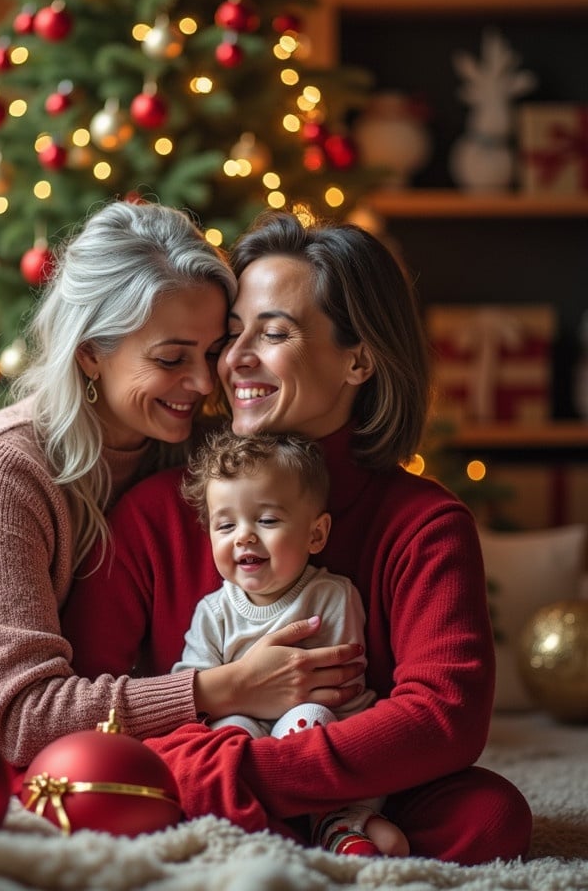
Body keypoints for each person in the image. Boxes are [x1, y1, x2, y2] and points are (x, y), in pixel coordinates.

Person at [62, 210, 533, 864]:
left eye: (273, 333)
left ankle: (269, 828)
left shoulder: (425, 524)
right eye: (232, 335)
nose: (234, 360)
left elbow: (443, 717)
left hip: (336, 783)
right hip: (244, 753)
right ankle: (326, 839)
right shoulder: (155, 513)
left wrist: (237, 776)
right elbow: (93, 703)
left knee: (491, 818)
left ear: (359, 359)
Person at [0, 198, 239, 764]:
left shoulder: (198, 455)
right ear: (89, 354)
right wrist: (222, 687)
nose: (203, 382)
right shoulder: (2, 471)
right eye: (171, 358)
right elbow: (24, 719)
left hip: (133, 750)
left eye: (212, 352)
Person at [174, 427, 409, 858]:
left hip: (321, 743)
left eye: (266, 520)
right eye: (225, 524)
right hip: (243, 733)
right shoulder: (213, 611)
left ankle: (335, 821)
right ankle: (250, 826)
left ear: (316, 535)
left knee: (310, 713)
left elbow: (343, 690)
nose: (243, 536)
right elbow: (190, 689)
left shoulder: (331, 596)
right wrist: (239, 695)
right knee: (225, 735)